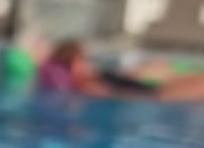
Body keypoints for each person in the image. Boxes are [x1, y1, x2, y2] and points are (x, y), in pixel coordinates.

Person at [38, 40, 204, 102]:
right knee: (160, 91)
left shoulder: (85, 80)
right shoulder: (84, 83)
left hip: (115, 81)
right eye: (82, 59)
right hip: (126, 86)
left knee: (160, 89)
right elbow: (112, 93)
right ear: (73, 63)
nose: (87, 64)